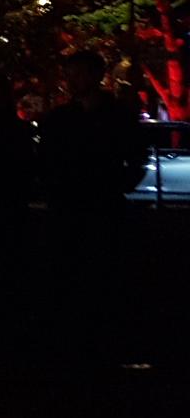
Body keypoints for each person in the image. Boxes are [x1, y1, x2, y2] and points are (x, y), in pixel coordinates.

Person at [37, 51, 147, 359]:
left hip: (99, 205)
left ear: (96, 76)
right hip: (73, 205)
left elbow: (136, 158)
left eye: (78, 74)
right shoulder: (63, 118)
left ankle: (94, 339)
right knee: (73, 272)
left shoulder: (115, 116)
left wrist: (119, 185)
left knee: (98, 273)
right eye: (69, 75)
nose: (72, 81)